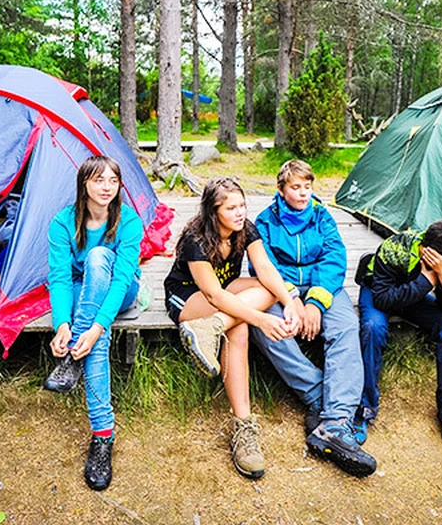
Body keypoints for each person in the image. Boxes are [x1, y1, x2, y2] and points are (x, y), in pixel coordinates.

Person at [164, 177, 301, 480]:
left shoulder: (245, 229)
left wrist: (289, 302)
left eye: (242, 205)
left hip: (223, 294)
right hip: (189, 296)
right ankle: (244, 425)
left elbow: (265, 269)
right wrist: (261, 319)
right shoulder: (196, 240)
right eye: (231, 208)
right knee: (241, 325)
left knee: (270, 289)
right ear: (214, 213)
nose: (240, 213)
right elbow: (214, 295)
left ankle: (212, 329)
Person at [250, 160, 377, 477]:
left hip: (323, 286)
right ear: (281, 189)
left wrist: (316, 304)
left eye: (307, 186)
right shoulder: (265, 222)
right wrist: (292, 299)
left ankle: (333, 424)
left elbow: (334, 258)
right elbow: (262, 266)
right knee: (265, 326)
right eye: (295, 187)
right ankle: (320, 396)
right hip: (281, 290)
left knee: (347, 326)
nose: (303, 193)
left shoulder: (322, 216)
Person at [43, 156, 143, 491]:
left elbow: (122, 279)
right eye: (99, 180)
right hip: (79, 288)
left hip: (121, 289)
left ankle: (73, 358)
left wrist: (95, 327)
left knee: (100, 257)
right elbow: (58, 279)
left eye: (113, 181)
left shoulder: (127, 221)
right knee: (92, 335)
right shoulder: (62, 223)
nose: (106, 187)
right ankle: (103, 435)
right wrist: (61, 325)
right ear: (83, 183)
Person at [357, 219, 442, 447]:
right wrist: (426, 281)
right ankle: (363, 409)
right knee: (373, 329)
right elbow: (382, 299)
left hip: (414, 294)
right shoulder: (394, 248)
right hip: (379, 292)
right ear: (431, 253)